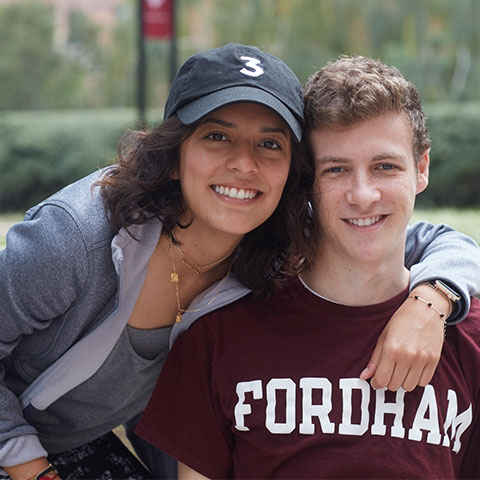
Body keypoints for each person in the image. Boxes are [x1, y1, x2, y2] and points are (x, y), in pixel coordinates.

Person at [0, 43, 478, 480]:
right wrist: (32, 469)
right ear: (172, 153)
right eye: (217, 136)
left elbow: (421, 237)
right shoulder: (76, 238)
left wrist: (433, 300)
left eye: (269, 144)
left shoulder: (278, 235)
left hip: (76, 444)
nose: (244, 165)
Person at [136, 55, 480, 479]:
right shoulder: (219, 333)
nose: (364, 194)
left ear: (421, 168)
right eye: (336, 169)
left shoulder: (467, 336)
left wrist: (434, 301)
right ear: (305, 182)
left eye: (385, 167)